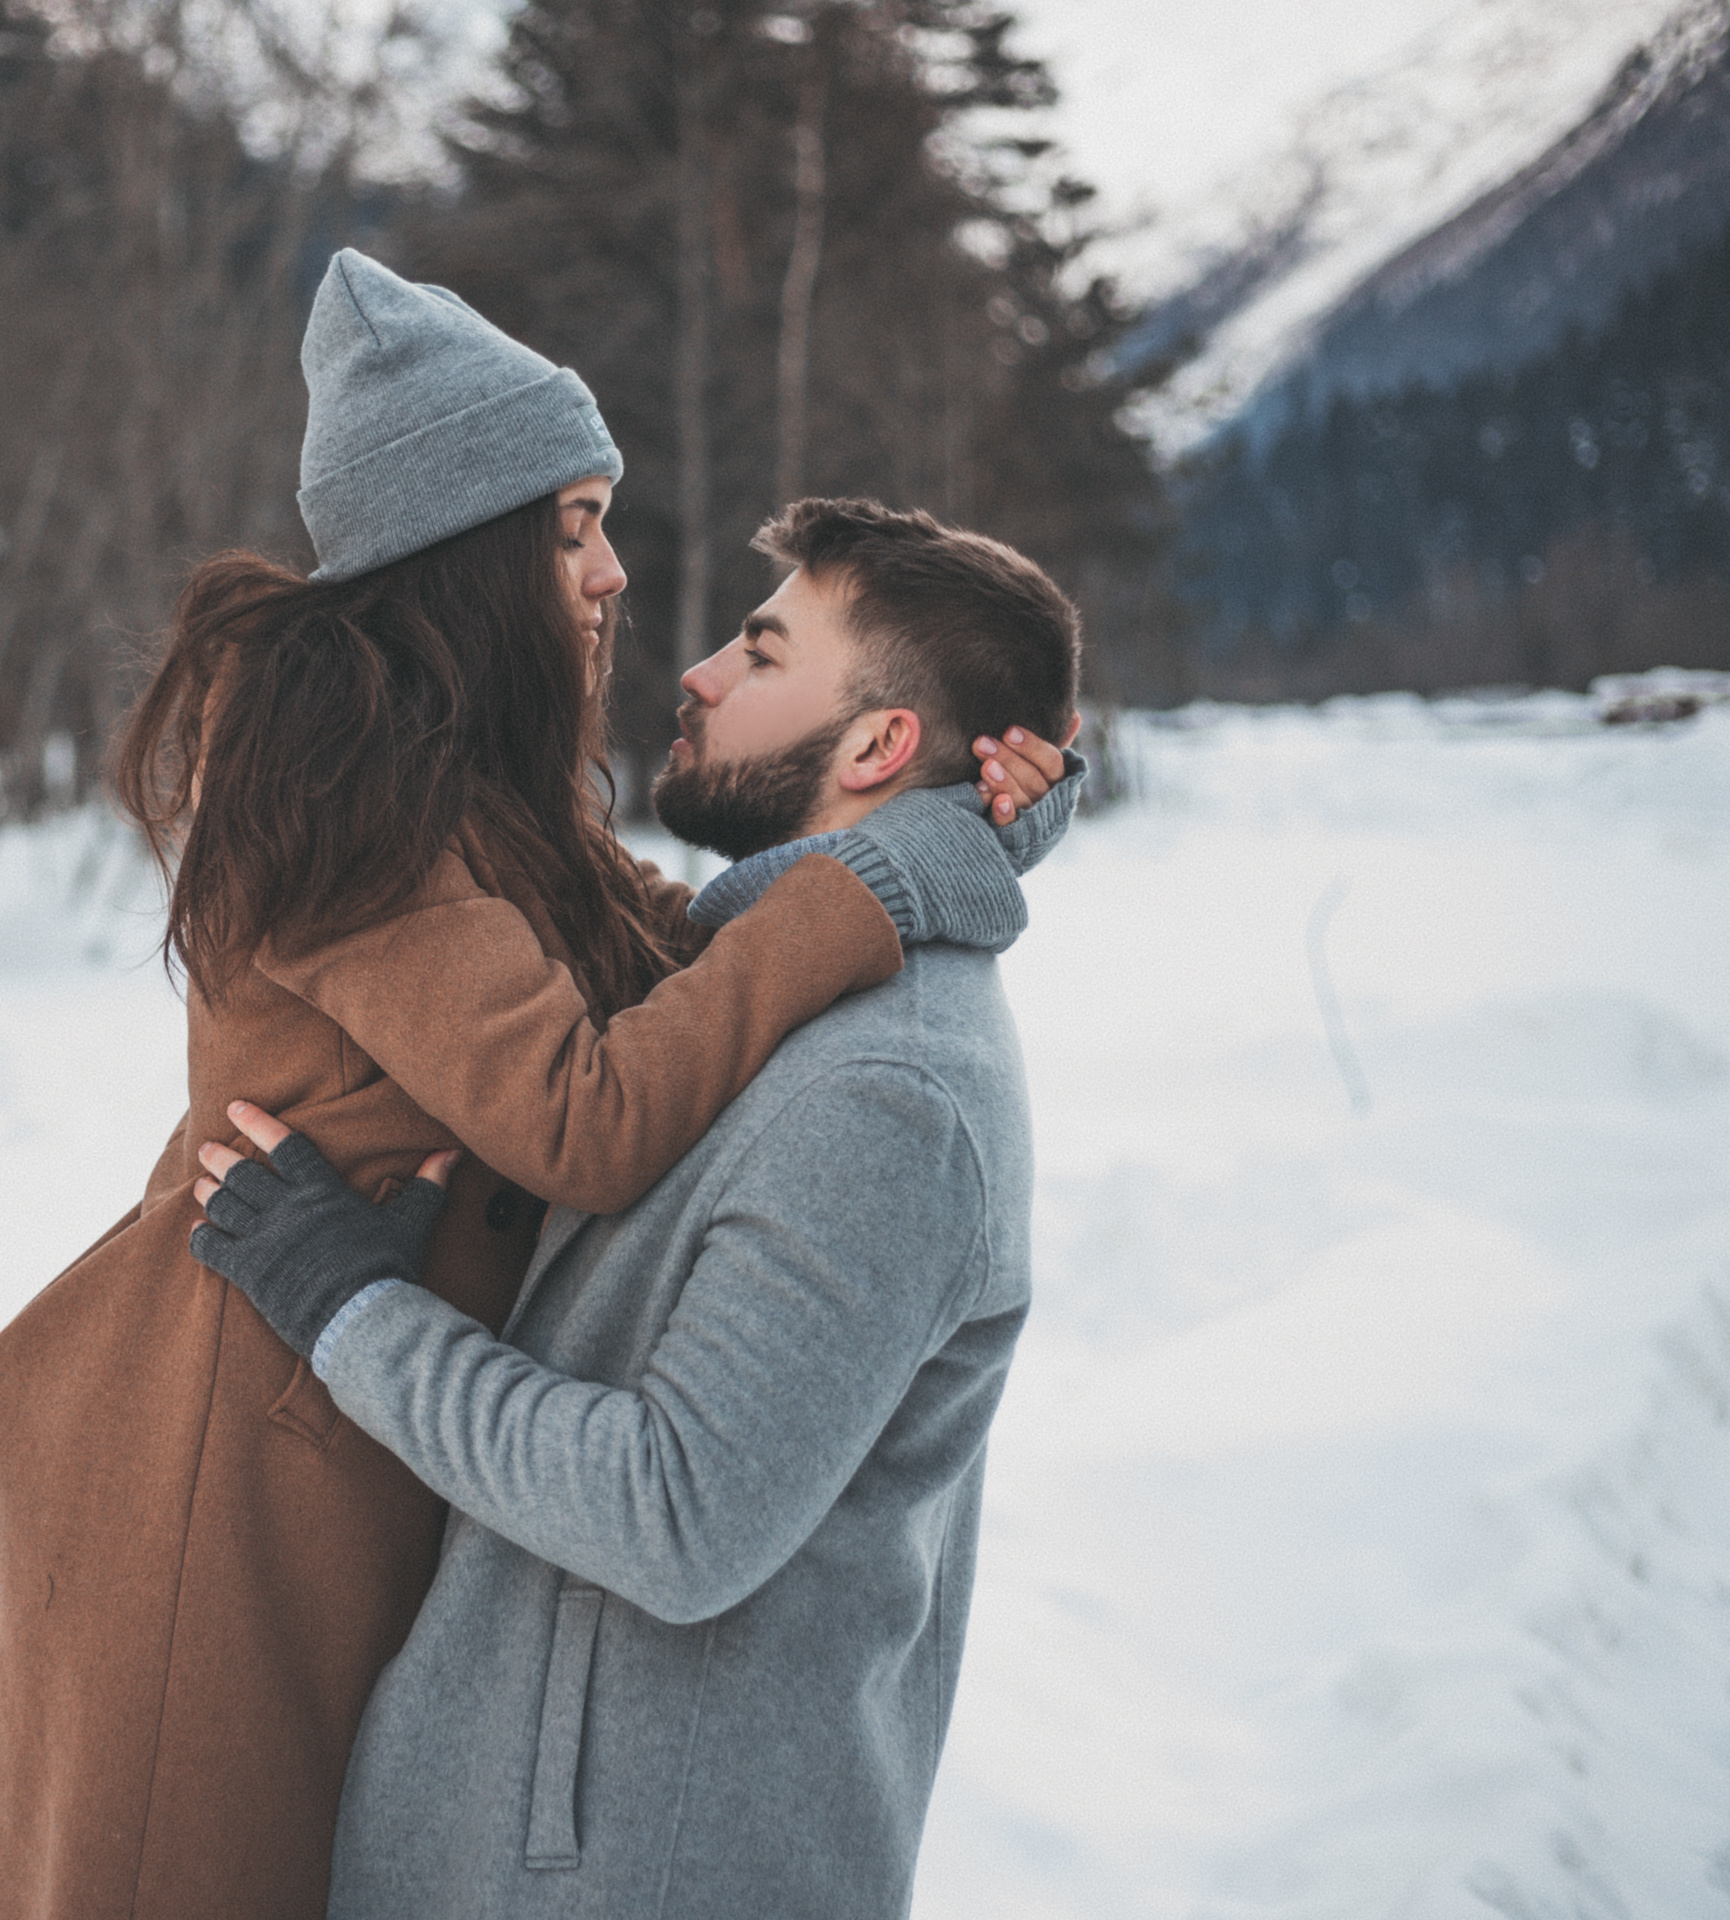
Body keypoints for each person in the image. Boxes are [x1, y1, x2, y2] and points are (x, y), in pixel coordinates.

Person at [0, 254, 1073, 1920]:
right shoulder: (338, 784)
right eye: (574, 527)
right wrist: (883, 881)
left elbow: (674, 958)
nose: (613, 572)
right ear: (470, 544)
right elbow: (588, 1115)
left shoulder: (476, 782)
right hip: (225, 1463)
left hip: (344, 1422)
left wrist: (948, 828)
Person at [189, 495, 1084, 1920]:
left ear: (877, 747)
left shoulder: (890, 1092)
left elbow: (673, 1515)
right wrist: (951, 845)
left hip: (643, 1872)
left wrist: (350, 1308)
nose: (700, 675)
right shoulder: (762, 996)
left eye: (762, 651)